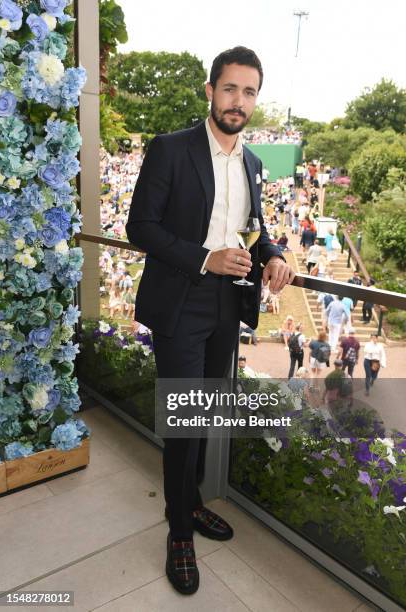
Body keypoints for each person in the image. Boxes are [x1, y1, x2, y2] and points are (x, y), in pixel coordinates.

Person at [125, 46, 295, 596]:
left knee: (206, 413)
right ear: (209, 90)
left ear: (255, 100)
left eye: (248, 92)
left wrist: (272, 255)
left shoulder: (252, 162)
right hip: (180, 302)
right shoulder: (171, 149)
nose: (238, 101)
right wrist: (205, 257)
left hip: (228, 304)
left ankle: (192, 502)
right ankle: (178, 533)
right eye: (229, 88)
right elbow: (140, 227)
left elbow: (254, 228)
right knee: (183, 418)